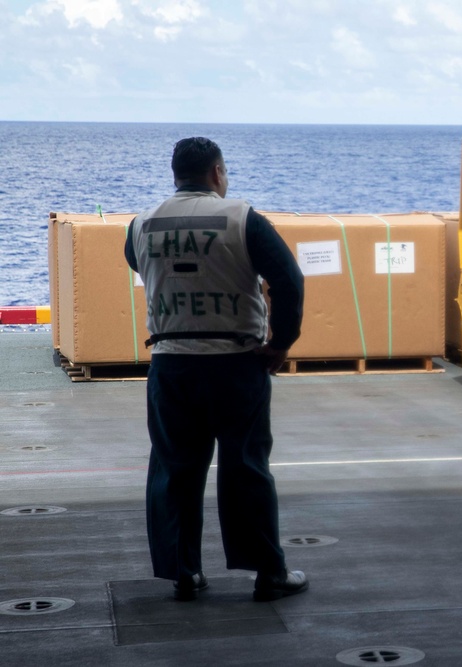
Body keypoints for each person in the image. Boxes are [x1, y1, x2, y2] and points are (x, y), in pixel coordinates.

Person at [124, 137, 310, 601]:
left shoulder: (140, 225)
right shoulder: (243, 219)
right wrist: (281, 342)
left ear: (175, 174)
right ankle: (268, 574)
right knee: (245, 466)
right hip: (236, 364)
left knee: (174, 470)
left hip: (171, 364)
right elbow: (288, 280)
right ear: (217, 173)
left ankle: (182, 572)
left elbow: (140, 266)